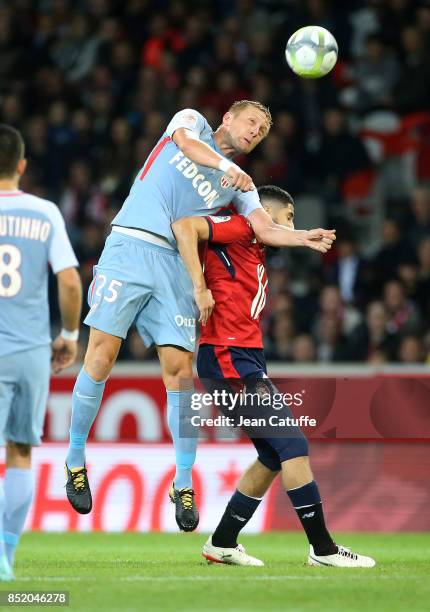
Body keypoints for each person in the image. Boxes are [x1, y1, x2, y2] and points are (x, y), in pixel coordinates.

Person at [64, 101, 335, 533]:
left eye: (263, 130)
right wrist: (228, 166)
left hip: (174, 265)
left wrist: (303, 236)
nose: (256, 132)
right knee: (101, 356)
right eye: (252, 122)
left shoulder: (241, 189)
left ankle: (183, 482)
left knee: (180, 374)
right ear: (228, 118)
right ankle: (76, 458)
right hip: (130, 246)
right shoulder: (192, 122)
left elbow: (263, 228)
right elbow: (186, 144)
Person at [172, 185, 375, 568]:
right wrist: (200, 288)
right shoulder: (237, 227)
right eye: (289, 216)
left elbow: (273, 234)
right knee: (292, 445)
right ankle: (323, 549)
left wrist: (300, 236)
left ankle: (223, 542)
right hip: (227, 354)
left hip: (243, 355)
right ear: (264, 211)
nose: (291, 224)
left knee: (271, 454)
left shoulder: (255, 244)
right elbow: (184, 226)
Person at [0, 124, 82, 581]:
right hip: (31, 348)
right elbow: (69, 280)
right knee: (19, 452)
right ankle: (5, 558)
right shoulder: (44, 212)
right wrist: (69, 333)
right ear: (22, 164)